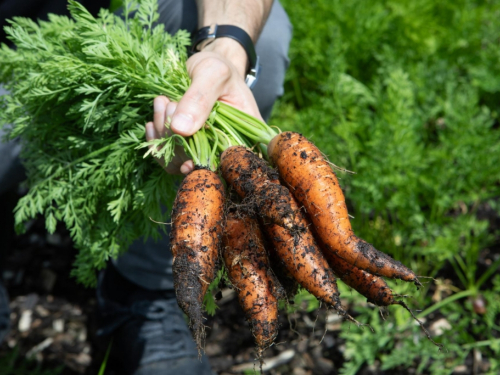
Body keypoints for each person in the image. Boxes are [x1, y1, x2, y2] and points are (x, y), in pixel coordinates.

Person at [0, 0, 292, 373]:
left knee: (261, 39)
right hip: (20, 62)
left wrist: (227, 47)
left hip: (116, 19)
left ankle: (143, 289)